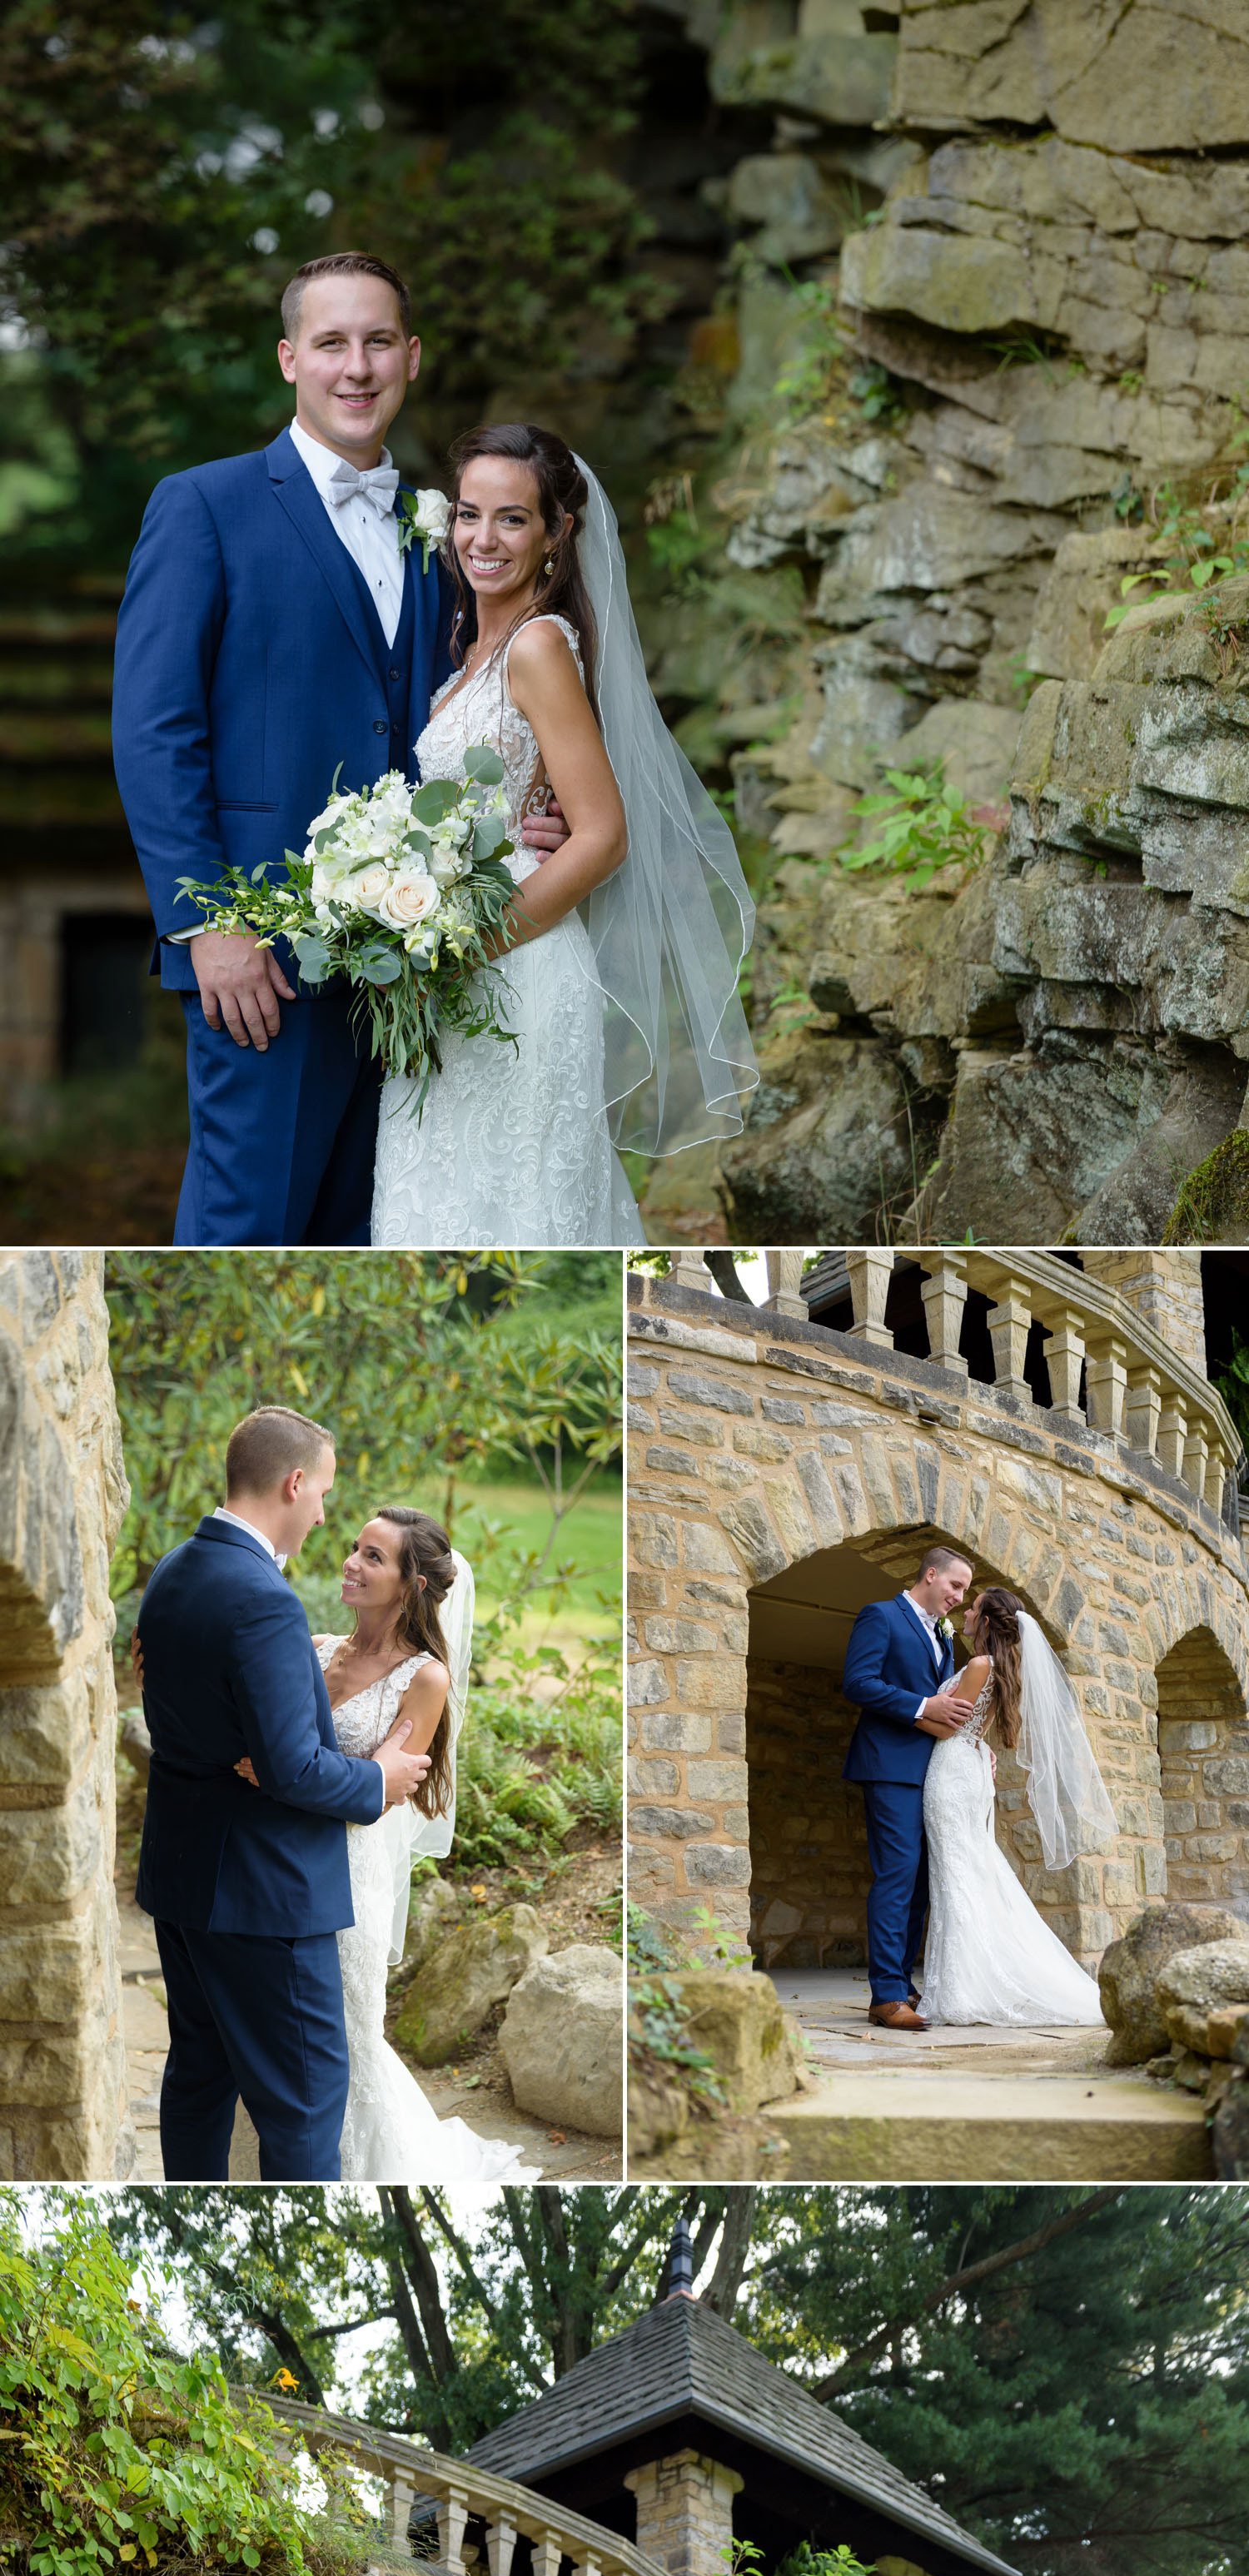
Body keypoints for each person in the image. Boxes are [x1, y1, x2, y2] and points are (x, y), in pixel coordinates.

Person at [110, 251, 570, 1242]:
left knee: (372, 1229)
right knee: (246, 1232)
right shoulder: (204, 506)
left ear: (410, 358)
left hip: (420, 969)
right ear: (289, 359)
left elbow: (473, 705)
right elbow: (154, 731)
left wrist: (539, 795)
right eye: (330, 343)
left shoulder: (442, 534)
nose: (354, 367)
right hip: (262, 960)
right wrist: (204, 926)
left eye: (376, 343)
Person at [370, 421, 759, 1249]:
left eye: (512, 518)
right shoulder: (468, 646)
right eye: (469, 514)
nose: (482, 538)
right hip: (453, 968)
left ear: (556, 534)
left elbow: (603, 835)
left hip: (517, 965)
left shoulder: (538, 644)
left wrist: (471, 943)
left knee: (519, 1207)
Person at [135, 1405, 431, 2181]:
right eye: (325, 1493)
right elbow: (292, 1767)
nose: (325, 1513)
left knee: (198, 2074)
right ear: (295, 1483)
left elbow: (167, 1694)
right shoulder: (265, 1600)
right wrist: (381, 1777)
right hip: (267, 1897)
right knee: (303, 2104)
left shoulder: (174, 1570)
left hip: (183, 1876)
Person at [310, 1506, 504, 2188]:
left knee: (348, 2038)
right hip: (286, 1865)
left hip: (351, 1876)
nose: (351, 1563)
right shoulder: (314, 1648)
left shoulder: (424, 1678)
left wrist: (284, 1772)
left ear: (411, 1584)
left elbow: (383, 1790)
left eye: (372, 1557)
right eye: (353, 1548)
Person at [919, 1584, 1117, 2029]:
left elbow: (950, 1727)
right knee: (969, 1872)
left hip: (952, 1772)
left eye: (972, 1610)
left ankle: (964, 1990)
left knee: (956, 1875)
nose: (966, 1615)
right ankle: (966, 1981)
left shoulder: (979, 1664)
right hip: (968, 1769)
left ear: (987, 1622)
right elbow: (974, 1726)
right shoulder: (1004, 1667)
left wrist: (908, 1710)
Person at [841, 1549, 973, 2026]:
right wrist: (921, 1706)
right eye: (955, 1586)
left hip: (932, 1772)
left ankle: (905, 1984)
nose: (959, 1598)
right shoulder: (881, 1615)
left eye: (964, 1592)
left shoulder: (944, 1636)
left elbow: (949, 1708)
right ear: (930, 1574)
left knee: (920, 1883)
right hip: (889, 1767)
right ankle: (885, 1997)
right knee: (897, 1874)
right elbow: (858, 1682)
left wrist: (976, 1746)